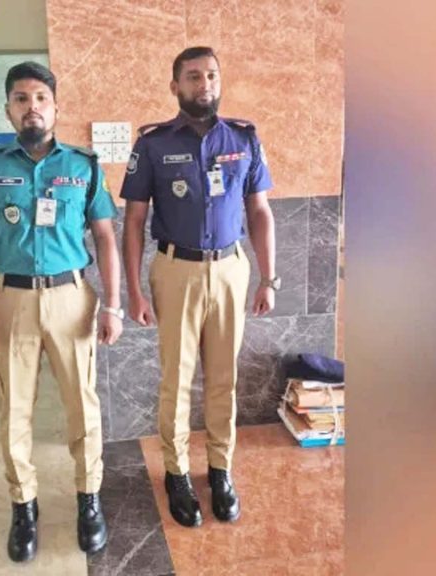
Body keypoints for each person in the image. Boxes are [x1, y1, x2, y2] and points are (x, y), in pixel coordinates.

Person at [0, 61, 123, 562]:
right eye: (21, 99)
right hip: (11, 300)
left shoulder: (84, 166)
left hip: (72, 298)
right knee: (14, 411)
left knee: (83, 407)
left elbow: (106, 238)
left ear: (56, 108)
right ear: (8, 109)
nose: (32, 107)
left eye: (41, 98)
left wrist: (113, 305)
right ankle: (23, 506)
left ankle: (88, 500)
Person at [120, 46, 279, 528]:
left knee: (224, 378)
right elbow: (134, 222)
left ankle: (220, 469)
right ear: (175, 86)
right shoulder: (152, 144)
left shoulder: (244, 138)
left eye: (211, 75)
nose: (203, 84)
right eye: (193, 76)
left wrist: (268, 277)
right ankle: (176, 473)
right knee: (176, 378)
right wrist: (133, 291)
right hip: (176, 270)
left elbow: (259, 211)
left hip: (231, 269)